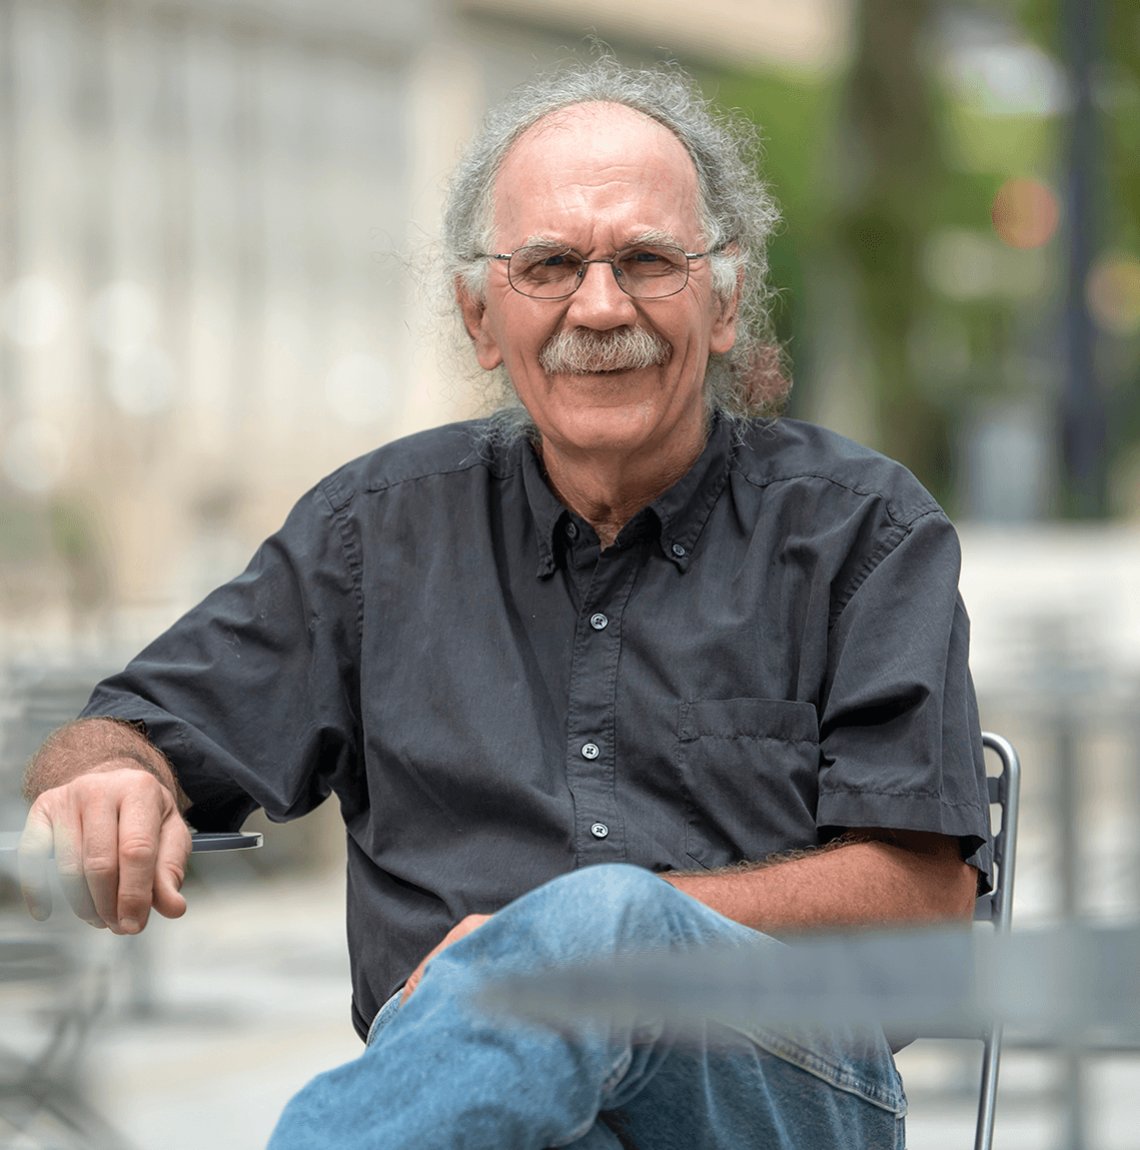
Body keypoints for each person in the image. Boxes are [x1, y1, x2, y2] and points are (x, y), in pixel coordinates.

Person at [19, 59, 991, 1148]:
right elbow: (135, 726)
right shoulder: (371, 532)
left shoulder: (865, 529)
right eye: (551, 265)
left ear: (722, 302)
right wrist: (104, 773)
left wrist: (584, 943)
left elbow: (926, 906)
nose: (601, 304)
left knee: (602, 924)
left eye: (648, 261)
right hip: (471, 1113)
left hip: (774, 1097)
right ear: (481, 318)